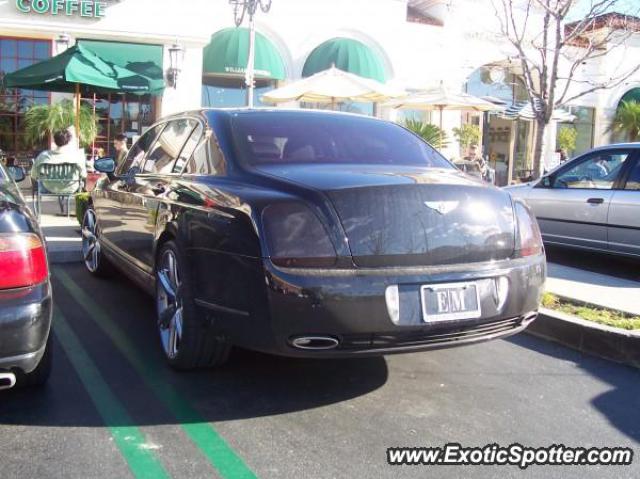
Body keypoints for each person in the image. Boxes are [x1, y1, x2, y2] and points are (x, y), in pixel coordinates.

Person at [32, 128, 87, 212]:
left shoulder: (43, 156)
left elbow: (34, 175)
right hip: (71, 187)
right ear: (69, 142)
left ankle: (38, 214)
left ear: (54, 140)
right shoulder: (76, 157)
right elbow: (84, 175)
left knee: (39, 184)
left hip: (48, 188)